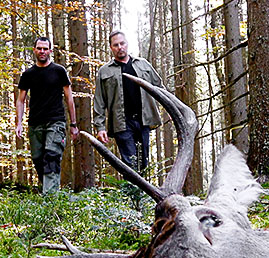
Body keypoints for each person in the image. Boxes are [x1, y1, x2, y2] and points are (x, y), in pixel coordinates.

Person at [15, 37, 79, 194]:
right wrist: (19, 123)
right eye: (39, 48)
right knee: (39, 161)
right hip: (35, 123)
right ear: (34, 50)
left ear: (50, 51)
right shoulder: (28, 74)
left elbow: (69, 98)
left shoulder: (59, 71)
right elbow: (20, 100)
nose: (42, 51)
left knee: (51, 157)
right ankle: (50, 194)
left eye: (45, 48)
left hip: (55, 122)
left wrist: (73, 124)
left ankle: (49, 201)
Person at [93, 30, 163, 172]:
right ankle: (132, 194)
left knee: (143, 163)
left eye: (122, 43)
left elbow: (160, 89)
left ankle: (141, 194)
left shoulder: (143, 65)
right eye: (116, 45)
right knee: (130, 164)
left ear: (127, 44)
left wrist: (174, 110)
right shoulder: (104, 71)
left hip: (144, 121)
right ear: (111, 48)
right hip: (121, 123)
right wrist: (100, 128)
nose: (120, 47)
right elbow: (99, 101)